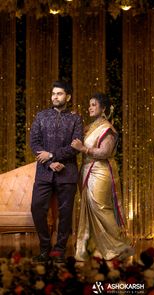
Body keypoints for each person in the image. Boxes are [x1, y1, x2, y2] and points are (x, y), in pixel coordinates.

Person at [71, 93, 134, 261]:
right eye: (89, 104)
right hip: (87, 170)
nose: (90, 107)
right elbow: (76, 137)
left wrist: (83, 149)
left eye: (94, 104)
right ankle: (94, 248)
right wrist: (75, 120)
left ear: (103, 108)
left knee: (100, 207)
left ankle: (119, 245)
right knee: (89, 207)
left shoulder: (107, 128)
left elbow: (105, 152)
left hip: (100, 171)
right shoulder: (91, 127)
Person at [30, 80, 83, 263]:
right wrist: (51, 162)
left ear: (68, 97)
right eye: (53, 93)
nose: (55, 97)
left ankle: (59, 250)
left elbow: (76, 146)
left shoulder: (76, 119)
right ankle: (45, 249)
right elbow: (34, 143)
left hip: (67, 173)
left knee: (66, 213)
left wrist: (52, 155)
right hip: (45, 172)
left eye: (59, 94)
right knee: (37, 208)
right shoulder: (41, 116)